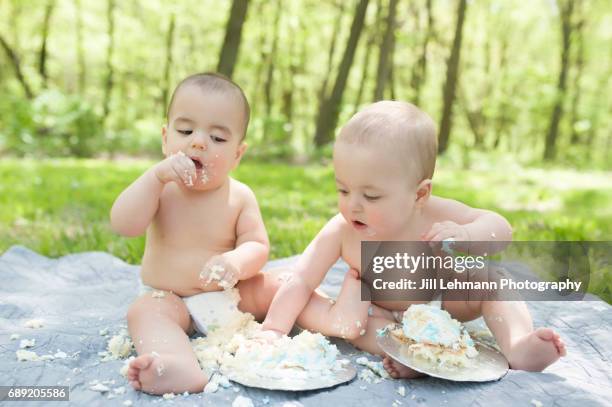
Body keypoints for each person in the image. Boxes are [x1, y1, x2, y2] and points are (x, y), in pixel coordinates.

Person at [259, 101, 566, 377]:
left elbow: (501, 228)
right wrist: (273, 329)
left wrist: (467, 234)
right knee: (356, 327)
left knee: (490, 280)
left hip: (442, 302)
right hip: (377, 312)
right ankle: (413, 356)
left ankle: (518, 345)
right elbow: (301, 280)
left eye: (371, 195)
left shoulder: (434, 212)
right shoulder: (341, 229)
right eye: (343, 190)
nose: (353, 205)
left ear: (419, 194)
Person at [110, 72, 273, 394]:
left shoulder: (239, 196)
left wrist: (236, 262)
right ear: (165, 138)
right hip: (170, 300)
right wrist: (154, 179)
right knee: (143, 312)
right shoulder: (160, 189)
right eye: (185, 130)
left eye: (218, 138)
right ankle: (174, 363)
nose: (198, 141)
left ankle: (329, 319)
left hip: (229, 296)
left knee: (284, 283)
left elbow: (257, 244)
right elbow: (124, 225)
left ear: (237, 155)